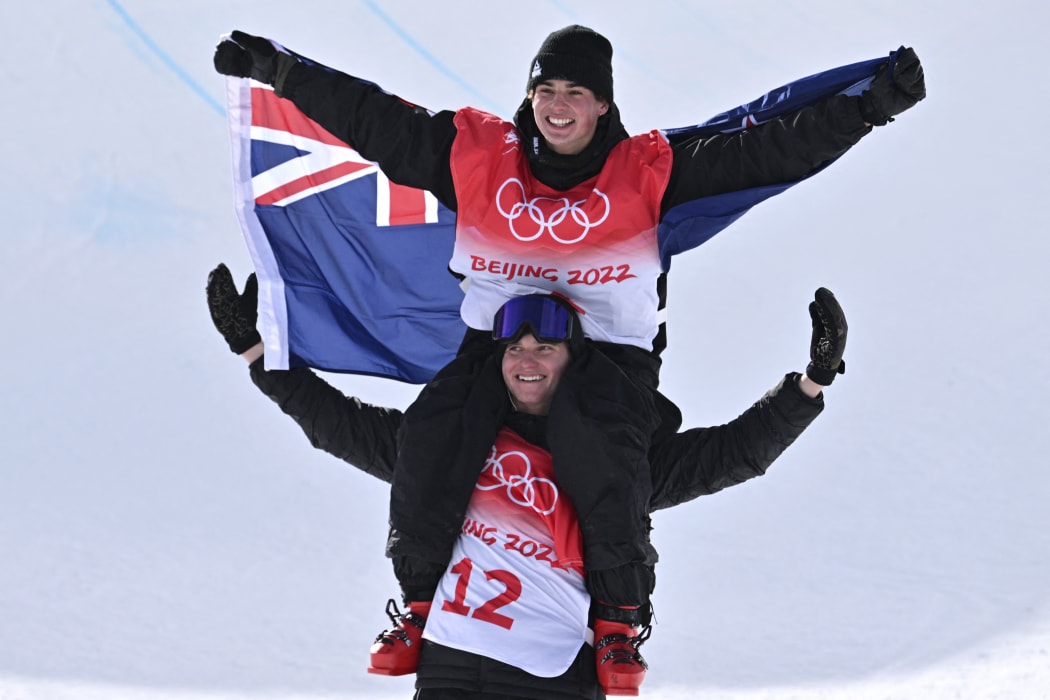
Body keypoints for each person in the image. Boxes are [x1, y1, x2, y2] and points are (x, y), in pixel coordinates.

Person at [212, 24, 915, 691]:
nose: (557, 107)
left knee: (600, 450)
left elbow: (766, 153)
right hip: (491, 352)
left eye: (575, 93)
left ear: (603, 104)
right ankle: (421, 604)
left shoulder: (648, 171)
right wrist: (283, 72)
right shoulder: (477, 156)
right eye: (546, 91)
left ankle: (615, 620)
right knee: (430, 438)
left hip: (606, 368)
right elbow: (373, 120)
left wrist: (868, 110)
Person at [206, 262, 849, 698]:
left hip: (555, 674)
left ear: (574, 361)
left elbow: (732, 454)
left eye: (546, 347)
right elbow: (336, 425)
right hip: (450, 665)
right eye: (515, 348)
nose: (527, 359)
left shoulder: (616, 457)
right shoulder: (450, 440)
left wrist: (810, 383)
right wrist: (257, 357)